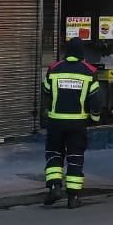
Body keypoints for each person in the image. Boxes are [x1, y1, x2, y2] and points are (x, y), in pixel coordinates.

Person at [43, 38, 102, 208]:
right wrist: (95, 118)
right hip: (77, 123)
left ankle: (54, 186)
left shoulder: (54, 69)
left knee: (54, 153)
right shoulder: (89, 71)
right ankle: (73, 197)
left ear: (66, 52)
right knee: (75, 157)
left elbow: (46, 93)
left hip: (56, 121)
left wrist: (45, 113)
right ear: (82, 53)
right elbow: (95, 100)